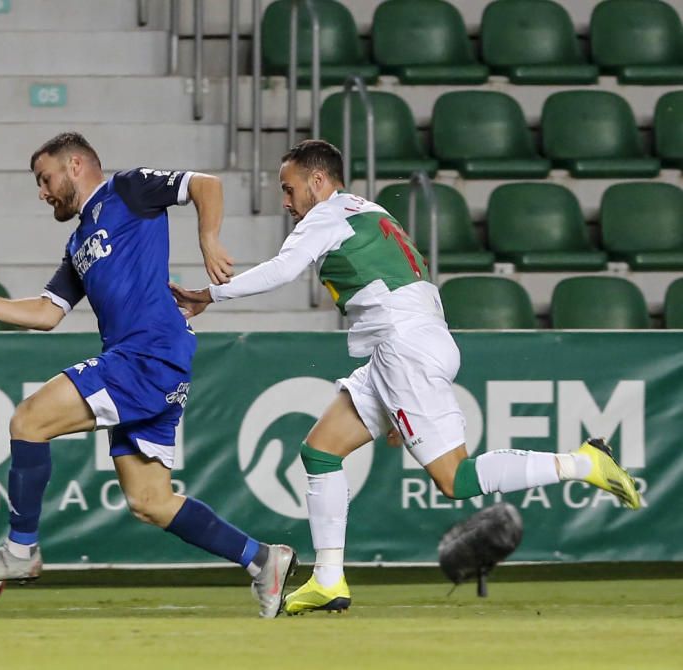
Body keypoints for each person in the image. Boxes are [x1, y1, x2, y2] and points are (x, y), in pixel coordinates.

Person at [171, 139, 642, 615]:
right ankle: (328, 579)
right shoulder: (369, 210)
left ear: (318, 181)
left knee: (455, 478)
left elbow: (283, 269)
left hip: (403, 349)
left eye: (289, 189)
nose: (286, 201)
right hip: (406, 344)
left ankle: (584, 463)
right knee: (321, 450)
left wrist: (210, 295)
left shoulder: (326, 215)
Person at [0, 131, 297, 617]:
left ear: (76, 164)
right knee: (151, 501)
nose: (42, 192)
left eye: (45, 179)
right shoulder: (78, 240)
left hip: (148, 356)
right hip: (146, 361)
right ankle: (263, 560)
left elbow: (205, 185)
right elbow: (46, 313)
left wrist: (208, 239)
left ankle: (21, 551)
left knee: (28, 420)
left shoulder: (128, 188)